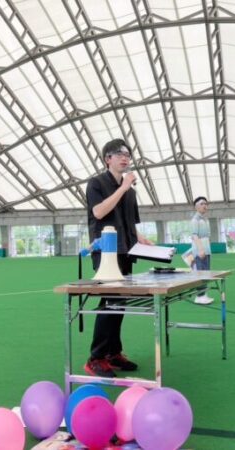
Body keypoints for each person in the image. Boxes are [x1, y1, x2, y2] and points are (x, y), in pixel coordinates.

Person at [84, 138, 153, 377]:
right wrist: (123, 187)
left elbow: (129, 224)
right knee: (109, 302)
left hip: (126, 251)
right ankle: (96, 358)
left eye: (128, 154)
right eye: (120, 154)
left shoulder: (130, 191)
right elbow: (99, 212)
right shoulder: (96, 183)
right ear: (108, 159)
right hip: (105, 253)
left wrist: (141, 239)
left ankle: (113, 353)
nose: (125, 158)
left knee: (120, 303)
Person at [190, 196, 214, 305]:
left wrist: (206, 249)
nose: (205, 206)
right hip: (200, 250)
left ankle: (204, 294)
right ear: (196, 206)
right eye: (202, 204)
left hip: (206, 249)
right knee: (200, 273)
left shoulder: (205, 219)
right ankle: (199, 296)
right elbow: (194, 236)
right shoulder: (195, 220)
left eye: (206, 204)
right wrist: (200, 249)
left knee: (206, 273)